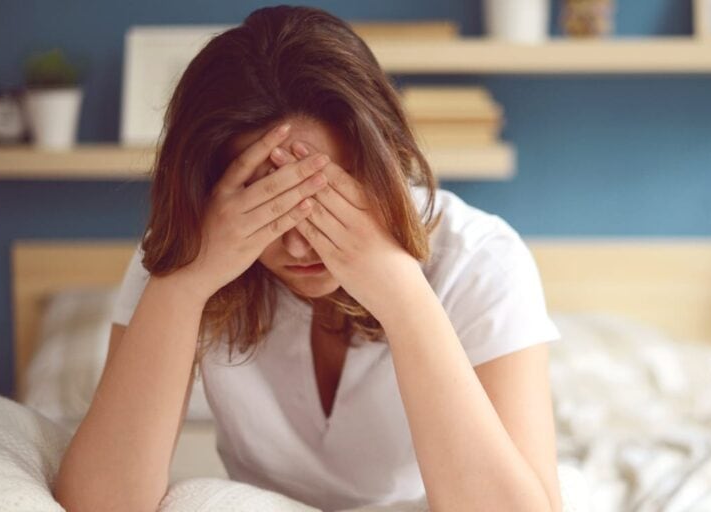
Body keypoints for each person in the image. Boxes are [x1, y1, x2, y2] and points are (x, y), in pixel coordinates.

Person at [53, 5, 562, 512]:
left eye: (325, 201)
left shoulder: (480, 260)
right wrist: (185, 282)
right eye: (265, 205)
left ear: (384, 165)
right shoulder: (187, 250)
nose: (298, 246)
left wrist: (402, 294)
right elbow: (101, 504)